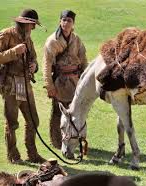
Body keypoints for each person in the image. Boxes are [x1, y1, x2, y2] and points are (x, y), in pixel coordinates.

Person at [0, 9, 46, 164]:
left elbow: (33, 57)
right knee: (12, 122)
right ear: (24, 23)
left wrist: (34, 66)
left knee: (33, 119)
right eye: (32, 25)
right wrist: (14, 51)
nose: (33, 28)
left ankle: (32, 154)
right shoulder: (6, 34)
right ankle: (13, 156)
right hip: (10, 84)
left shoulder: (28, 38)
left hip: (25, 84)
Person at [43, 10, 88, 149]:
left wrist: (86, 80)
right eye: (64, 20)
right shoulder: (52, 41)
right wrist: (49, 86)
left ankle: (76, 139)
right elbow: (47, 64)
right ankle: (56, 141)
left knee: (76, 112)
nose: (66, 23)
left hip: (75, 81)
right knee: (58, 112)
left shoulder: (77, 39)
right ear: (60, 22)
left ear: (73, 24)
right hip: (60, 82)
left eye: (69, 20)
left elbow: (83, 60)